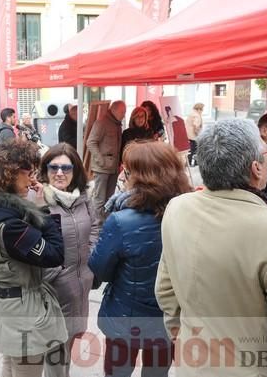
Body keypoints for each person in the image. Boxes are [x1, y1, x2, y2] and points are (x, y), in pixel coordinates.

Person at [156, 119, 267, 376]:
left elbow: (165, 290)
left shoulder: (177, 208)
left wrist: (180, 335)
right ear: (256, 168)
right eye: (266, 154)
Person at [0, 139, 67, 377]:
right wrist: (41, 210)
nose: (32, 180)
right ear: (9, 175)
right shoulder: (10, 227)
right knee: (24, 368)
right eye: (28, 173)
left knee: (11, 364)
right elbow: (54, 254)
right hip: (23, 314)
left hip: (5, 307)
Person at [89, 141, 189, 377]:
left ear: (139, 177)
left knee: (118, 372)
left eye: (129, 170)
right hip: (169, 316)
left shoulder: (122, 220)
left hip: (126, 317)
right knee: (157, 373)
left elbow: (99, 269)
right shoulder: (189, 212)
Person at [35, 143, 99, 377]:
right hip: (54, 289)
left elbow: (94, 227)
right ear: (46, 169)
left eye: (65, 167)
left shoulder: (84, 198)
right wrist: (53, 273)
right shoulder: (38, 199)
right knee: (54, 348)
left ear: (75, 171)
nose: (59, 173)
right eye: (53, 167)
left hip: (81, 284)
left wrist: (90, 259)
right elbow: (32, 244)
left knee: (70, 341)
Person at [86, 100, 126, 223]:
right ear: (114, 111)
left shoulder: (117, 124)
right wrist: (101, 160)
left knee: (109, 197)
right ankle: (97, 223)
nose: (124, 115)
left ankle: (106, 222)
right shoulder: (101, 123)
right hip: (102, 168)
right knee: (99, 198)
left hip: (113, 167)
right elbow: (91, 142)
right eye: (122, 112)